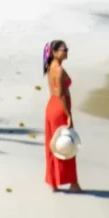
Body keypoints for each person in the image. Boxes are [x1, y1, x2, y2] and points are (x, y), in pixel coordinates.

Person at [43, 40, 80, 192]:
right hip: (59, 108)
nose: (66, 52)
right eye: (64, 49)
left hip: (51, 106)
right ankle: (73, 183)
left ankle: (54, 183)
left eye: (67, 49)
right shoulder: (58, 69)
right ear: (54, 52)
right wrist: (69, 114)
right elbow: (61, 94)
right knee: (67, 144)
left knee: (53, 145)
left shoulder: (51, 67)